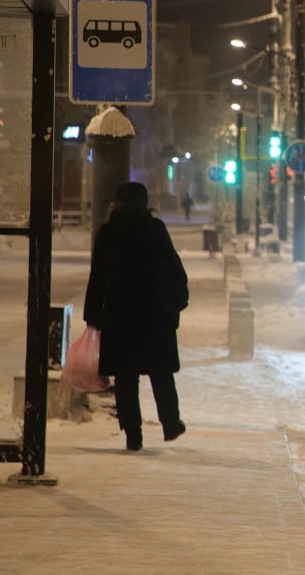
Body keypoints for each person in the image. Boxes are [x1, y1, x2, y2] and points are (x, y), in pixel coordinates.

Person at [84, 182, 189, 451]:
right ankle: (170, 423)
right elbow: (173, 266)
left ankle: (133, 434)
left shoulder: (109, 233)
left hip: (120, 314)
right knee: (161, 371)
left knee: (126, 377)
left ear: (116, 202)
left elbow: (98, 277)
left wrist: (93, 315)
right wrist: (176, 303)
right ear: (144, 202)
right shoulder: (155, 229)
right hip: (154, 312)